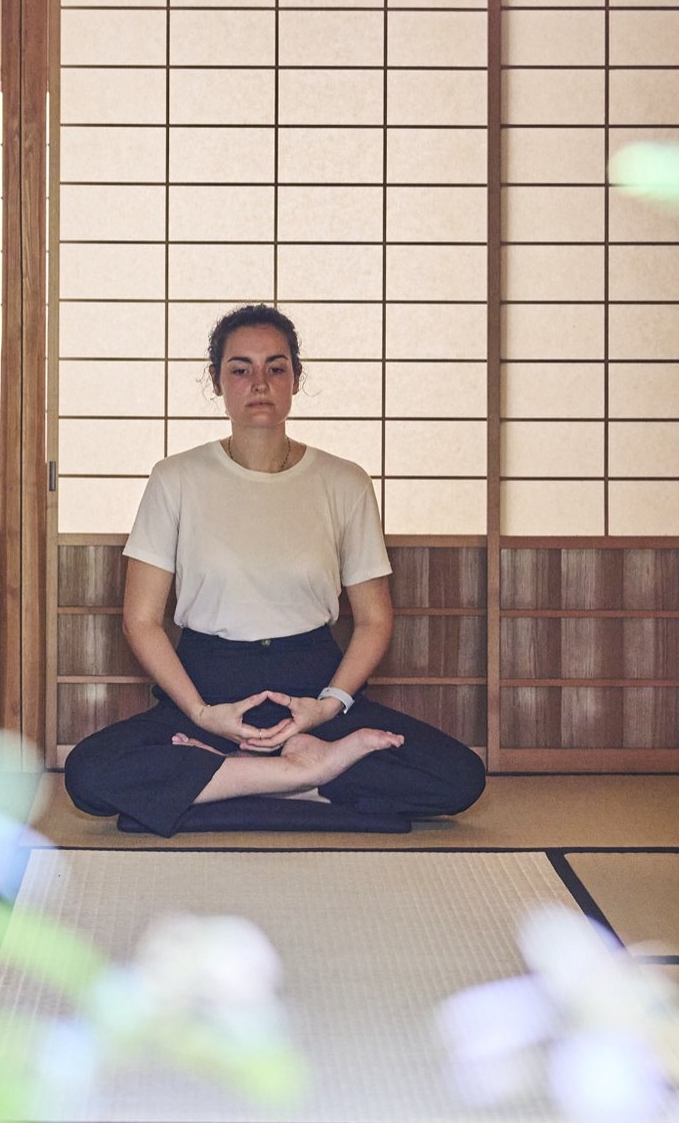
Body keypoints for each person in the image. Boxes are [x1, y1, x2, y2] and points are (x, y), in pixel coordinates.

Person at [61, 304, 488, 836]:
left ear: (295, 379)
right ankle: (307, 781)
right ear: (217, 381)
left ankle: (230, 780)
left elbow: (375, 619)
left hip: (311, 693)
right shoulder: (175, 478)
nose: (258, 382)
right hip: (208, 692)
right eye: (240, 369)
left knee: (459, 777)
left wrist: (328, 709)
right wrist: (199, 714)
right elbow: (141, 620)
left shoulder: (344, 481)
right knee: (86, 775)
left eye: (276, 367)